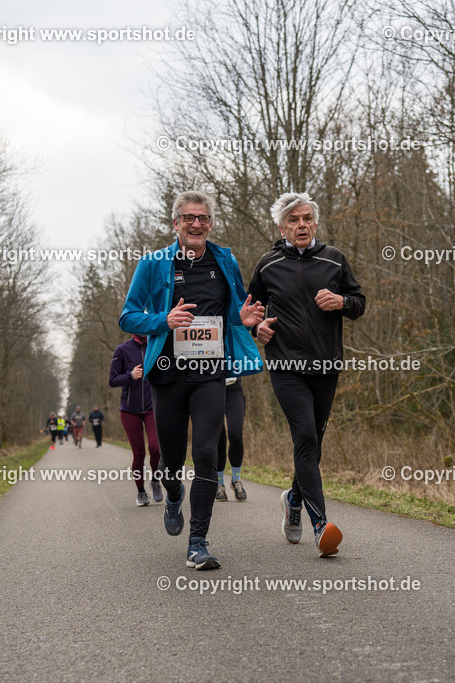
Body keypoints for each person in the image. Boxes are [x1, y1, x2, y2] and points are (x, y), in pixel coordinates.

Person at [119, 190, 265, 570]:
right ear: (176, 224)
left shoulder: (225, 260)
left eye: (202, 218)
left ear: (211, 223)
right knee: (170, 459)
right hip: (167, 375)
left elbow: (233, 311)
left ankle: (197, 542)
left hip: (211, 374)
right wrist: (162, 320)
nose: (196, 224)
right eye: (188, 218)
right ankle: (171, 492)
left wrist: (243, 319)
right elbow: (128, 317)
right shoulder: (153, 263)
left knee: (205, 452)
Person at [247, 191, 365, 558]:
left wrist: (342, 302)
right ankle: (321, 526)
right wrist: (257, 330)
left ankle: (293, 499)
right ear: (282, 227)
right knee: (304, 437)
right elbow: (250, 312)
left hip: (326, 365)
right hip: (285, 366)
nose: (301, 225)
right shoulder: (267, 265)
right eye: (293, 220)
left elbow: (359, 303)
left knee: (313, 443)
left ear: (315, 223)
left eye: (306, 219)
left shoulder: (334, 260)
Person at [109, 335, 164, 506]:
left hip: (152, 407)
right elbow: (112, 380)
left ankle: (155, 480)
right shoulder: (122, 350)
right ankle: (141, 492)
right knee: (138, 454)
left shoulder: (156, 346)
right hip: (129, 410)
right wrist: (130, 375)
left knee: (156, 448)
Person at [215, 377, 246, 501]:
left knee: (236, 434)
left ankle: (236, 480)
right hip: (212, 387)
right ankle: (219, 484)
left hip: (234, 388)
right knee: (219, 438)